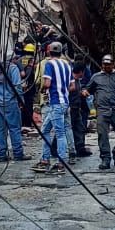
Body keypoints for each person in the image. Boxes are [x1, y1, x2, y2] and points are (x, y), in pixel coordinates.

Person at [36, 42, 72, 176]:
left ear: (49, 52)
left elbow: (47, 83)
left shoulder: (49, 64)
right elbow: (71, 86)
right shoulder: (67, 65)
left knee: (59, 133)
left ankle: (60, 163)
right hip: (64, 102)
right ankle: (45, 159)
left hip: (55, 103)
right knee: (44, 130)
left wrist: (42, 90)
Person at [70, 61, 92, 156]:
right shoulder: (70, 80)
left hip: (76, 108)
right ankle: (54, 148)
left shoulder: (77, 80)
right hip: (70, 108)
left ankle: (80, 149)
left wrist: (82, 92)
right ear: (81, 71)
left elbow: (79, 90)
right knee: (65, 129)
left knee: (79, 128)